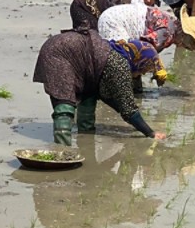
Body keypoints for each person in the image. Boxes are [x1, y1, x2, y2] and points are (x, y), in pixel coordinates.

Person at [32, 27, 167, 145]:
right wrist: (150, 133)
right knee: (64, 102)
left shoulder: (114, 54)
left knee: (89, 94)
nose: (142, 73)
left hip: (68, 51)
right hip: (59, 54)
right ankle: (62, 150)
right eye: (144, 69)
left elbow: (106, 96)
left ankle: (85, 140)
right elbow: (128, 109)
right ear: (139, 60)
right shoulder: (120, 66)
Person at [68, 0, 159, 32]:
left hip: (97, 12)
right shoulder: (127, 3)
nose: (149, 0)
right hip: (82, 6)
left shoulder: (140, 8)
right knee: (91, 36)